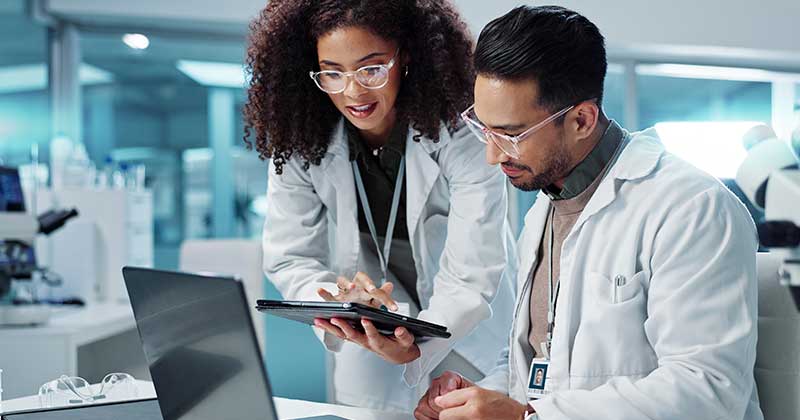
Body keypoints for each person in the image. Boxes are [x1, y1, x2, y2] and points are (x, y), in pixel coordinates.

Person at [415, 6, 762, 420]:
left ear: (581, 119)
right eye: (484, 129)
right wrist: (477, 397)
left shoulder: (692, 208)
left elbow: (707, 389)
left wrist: (525, 417)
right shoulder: (543, 209)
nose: (492, 155)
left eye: (510, 135)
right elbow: (537, 362)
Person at [243, 0, 516, 413]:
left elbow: (471, 273)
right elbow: (289, 256)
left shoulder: (463, 137)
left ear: (405, 57)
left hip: (464, 329)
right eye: (332, 73)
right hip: (368, 333)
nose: (353, 91)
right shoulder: (302, 144)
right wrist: (340, 302)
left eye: (371, 68)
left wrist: (418, 347)